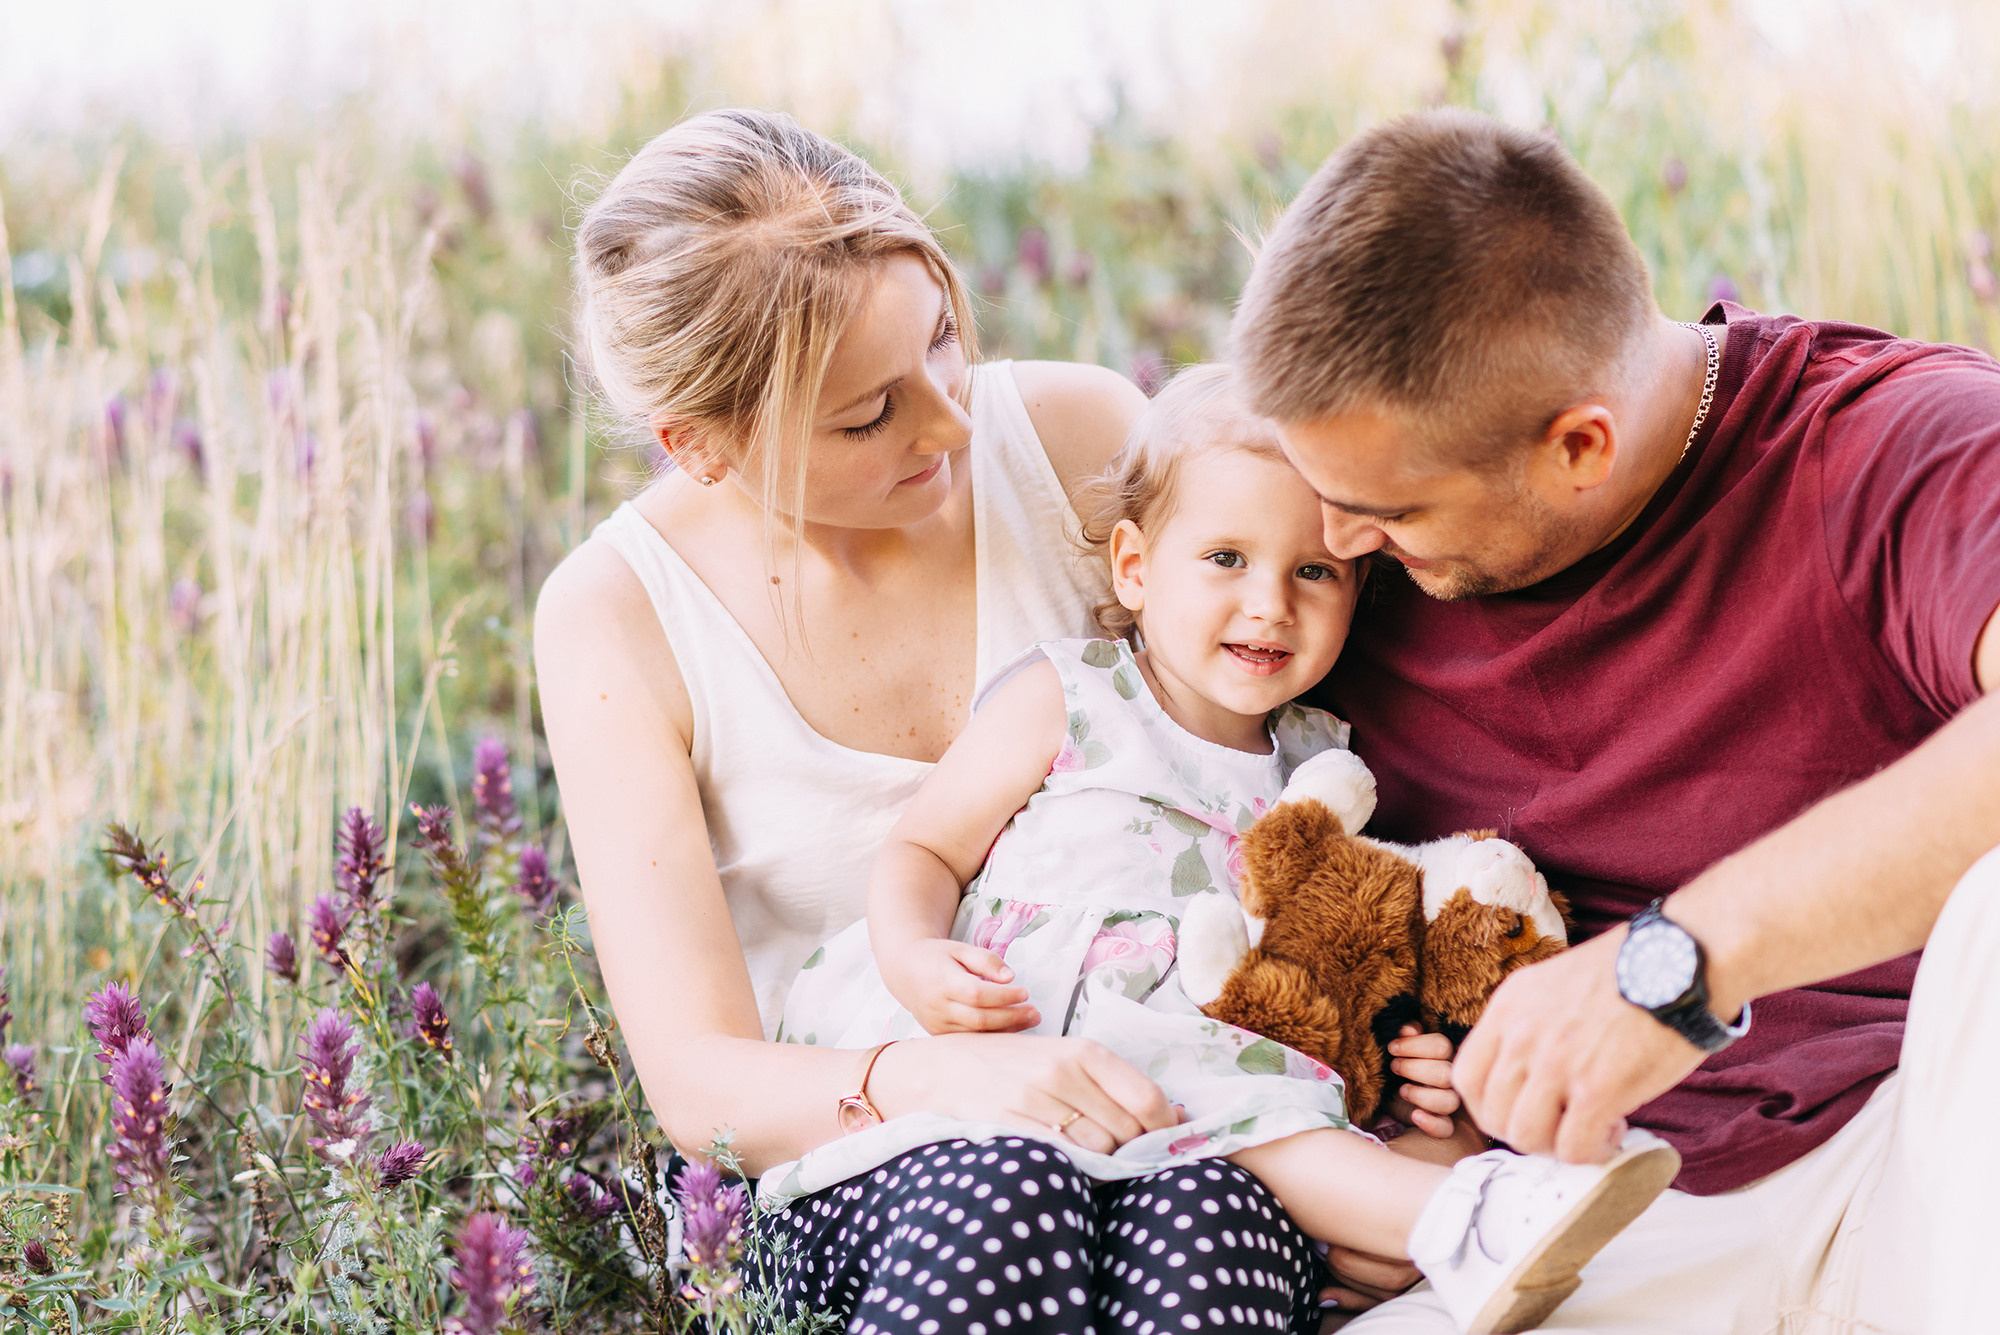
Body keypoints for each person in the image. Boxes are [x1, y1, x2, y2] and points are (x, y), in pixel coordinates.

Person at [537, 108, 1348, 1334]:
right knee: (1000, 1184)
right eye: (868, 417)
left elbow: (1287, 694)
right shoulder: (617, 616)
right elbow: (696, 1078)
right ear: (698, 447)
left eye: (944, 342)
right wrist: (955, 1075)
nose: (951, 424)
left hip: (1171, 1086)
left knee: (1202, 1224)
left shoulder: (1071, 440)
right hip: (858, 1149)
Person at [1228, 106, 2000, 1333]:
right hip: (1592, 1218)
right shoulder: (1325, 555)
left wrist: (1676, 962)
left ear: (1577, 445)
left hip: (1916, 1160)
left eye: (1385, 514)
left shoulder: (1880, 444)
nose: (1332, 547)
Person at [762, 363, 1683, 1335]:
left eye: (1313, 571)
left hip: (1194, 1074)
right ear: (1133, 567)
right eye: (1224, 559)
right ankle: (1460, 1221)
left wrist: (1407, 1066)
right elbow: (922, 848)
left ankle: (1441, 1202)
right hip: (1035, 1022)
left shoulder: (1323, 765)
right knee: (1216, 1111)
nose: (1268, 604)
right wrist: (911, 956)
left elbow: (1328, 962)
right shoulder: (1070, 698)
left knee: (1236, 1118)